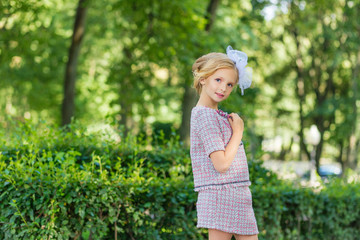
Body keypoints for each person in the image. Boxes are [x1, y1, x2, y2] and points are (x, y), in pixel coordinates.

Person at [190, 46, 258, 240]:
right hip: (220, 194)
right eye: (218, 80)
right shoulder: (204, 115)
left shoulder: (214, 115)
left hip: (236, 193)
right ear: (203, 79)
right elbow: (221, 164)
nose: (223, 88)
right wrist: (238, 132)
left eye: (229, 84)